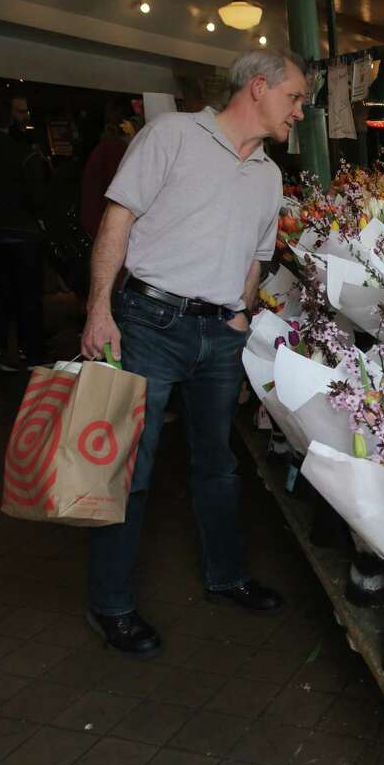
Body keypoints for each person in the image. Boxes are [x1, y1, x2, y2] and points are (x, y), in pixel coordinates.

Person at [79, 49, 308, 657]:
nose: (300, 112)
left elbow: (256, 258)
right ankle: (112, 604)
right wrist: (99, 309)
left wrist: (241, 315)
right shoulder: (172, 134)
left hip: (218, 334)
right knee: (128, 469)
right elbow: (117, 219)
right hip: (148, 321)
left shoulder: (268, 173)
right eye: (296, 98)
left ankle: (226, 576)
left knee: (218, 464)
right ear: (258, 88)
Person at [0, 118, 49, 370]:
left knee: (0, 293)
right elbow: (38, 197)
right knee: (29, 296)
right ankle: (32, 354)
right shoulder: (26, 155)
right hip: (23, 233)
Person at [79, 100, 135, 239]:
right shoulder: (115, 150)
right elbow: (122, 196)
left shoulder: (108, 148)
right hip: (105, 231)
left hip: (98, 226)